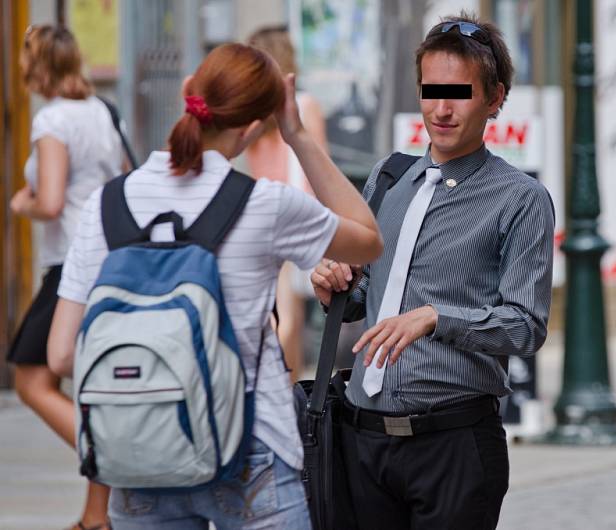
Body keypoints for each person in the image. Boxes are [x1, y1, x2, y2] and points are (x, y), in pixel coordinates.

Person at [47, 42, 383, 529]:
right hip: (251, 452)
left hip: (140, 456)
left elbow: (60, 356)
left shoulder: (107, 205)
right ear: (253, 125)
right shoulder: (264, 205)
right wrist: (298, 135)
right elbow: (368, 240)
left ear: (188, 93)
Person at [310, 13, 554, 530]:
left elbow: (525, 327)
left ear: (494, 99)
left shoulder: (520, 199)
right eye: (431, 90)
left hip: (454, 445)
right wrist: (337, 287)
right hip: (362, 440)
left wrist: (436, 318)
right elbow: (364, 296)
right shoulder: (389, 176)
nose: (440, 110)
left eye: (459, 93)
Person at [7, 24, 123, 530]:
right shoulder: (101, 111)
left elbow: (50, 201)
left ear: (36, 67)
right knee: (96, 383)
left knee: (31, 379)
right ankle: (96, 515)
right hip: (109, 255)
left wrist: (22, 203)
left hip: (73, 264)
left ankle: (117, 457)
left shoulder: (51, 119)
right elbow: (121, 179)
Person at [244, 26, 328, 382]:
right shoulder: (303, 106)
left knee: (276, 319)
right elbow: (320, 170)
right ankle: (283, 398)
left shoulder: (250, 115)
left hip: (258, 220)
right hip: (296, 218)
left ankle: (280, 395)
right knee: (288, 323)